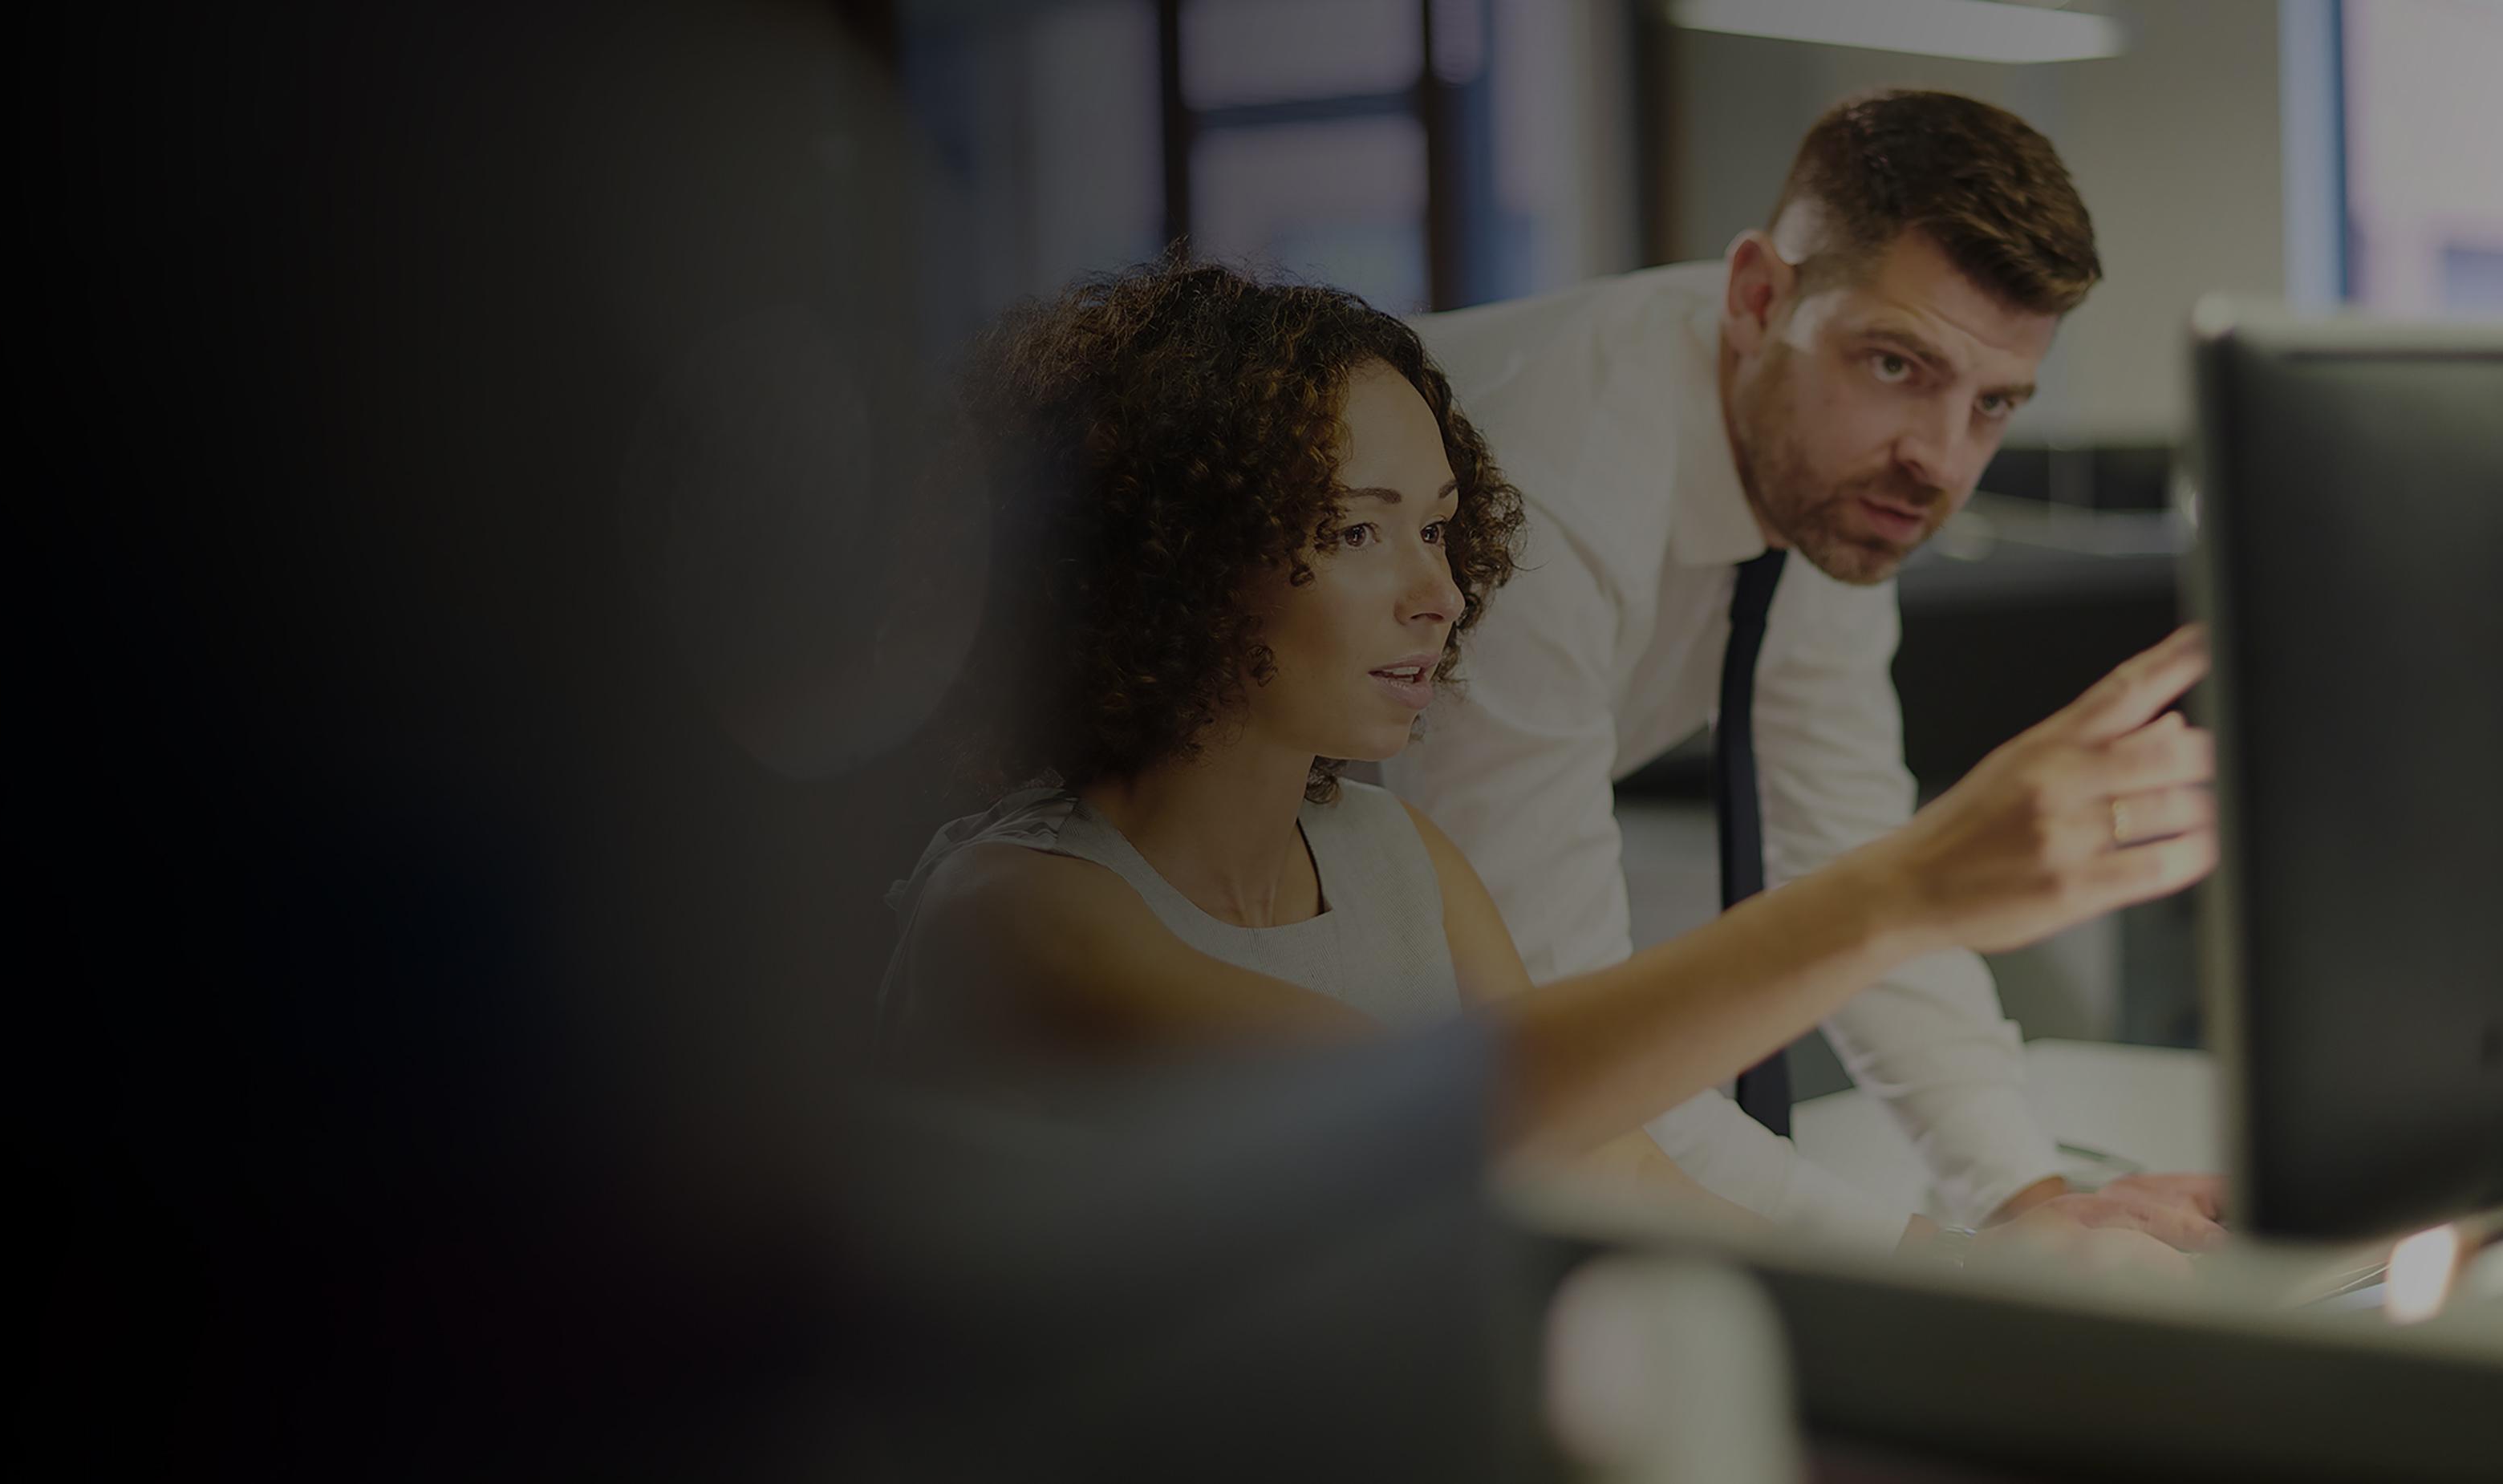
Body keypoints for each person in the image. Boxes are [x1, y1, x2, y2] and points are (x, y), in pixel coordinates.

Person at [883, 258, 2218, 1270]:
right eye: (1358, 532)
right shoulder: (1023, 920)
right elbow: (1465, 1116)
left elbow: (1608, 1163)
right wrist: (1902, 893)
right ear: (1173, 555)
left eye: (1440, 529)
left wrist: (1968, 1274)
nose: (1437, 595)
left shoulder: (1399, 859)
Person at [1374, 89, 2226, 1255]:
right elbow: (1582, 1047)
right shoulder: (1542, 500)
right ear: (1757, 297)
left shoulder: (1835, 481)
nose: (1939, 460)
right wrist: (1930, 1268)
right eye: (1895, 364)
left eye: (1993, 405)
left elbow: (1847, 846)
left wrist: (2024, 1199)